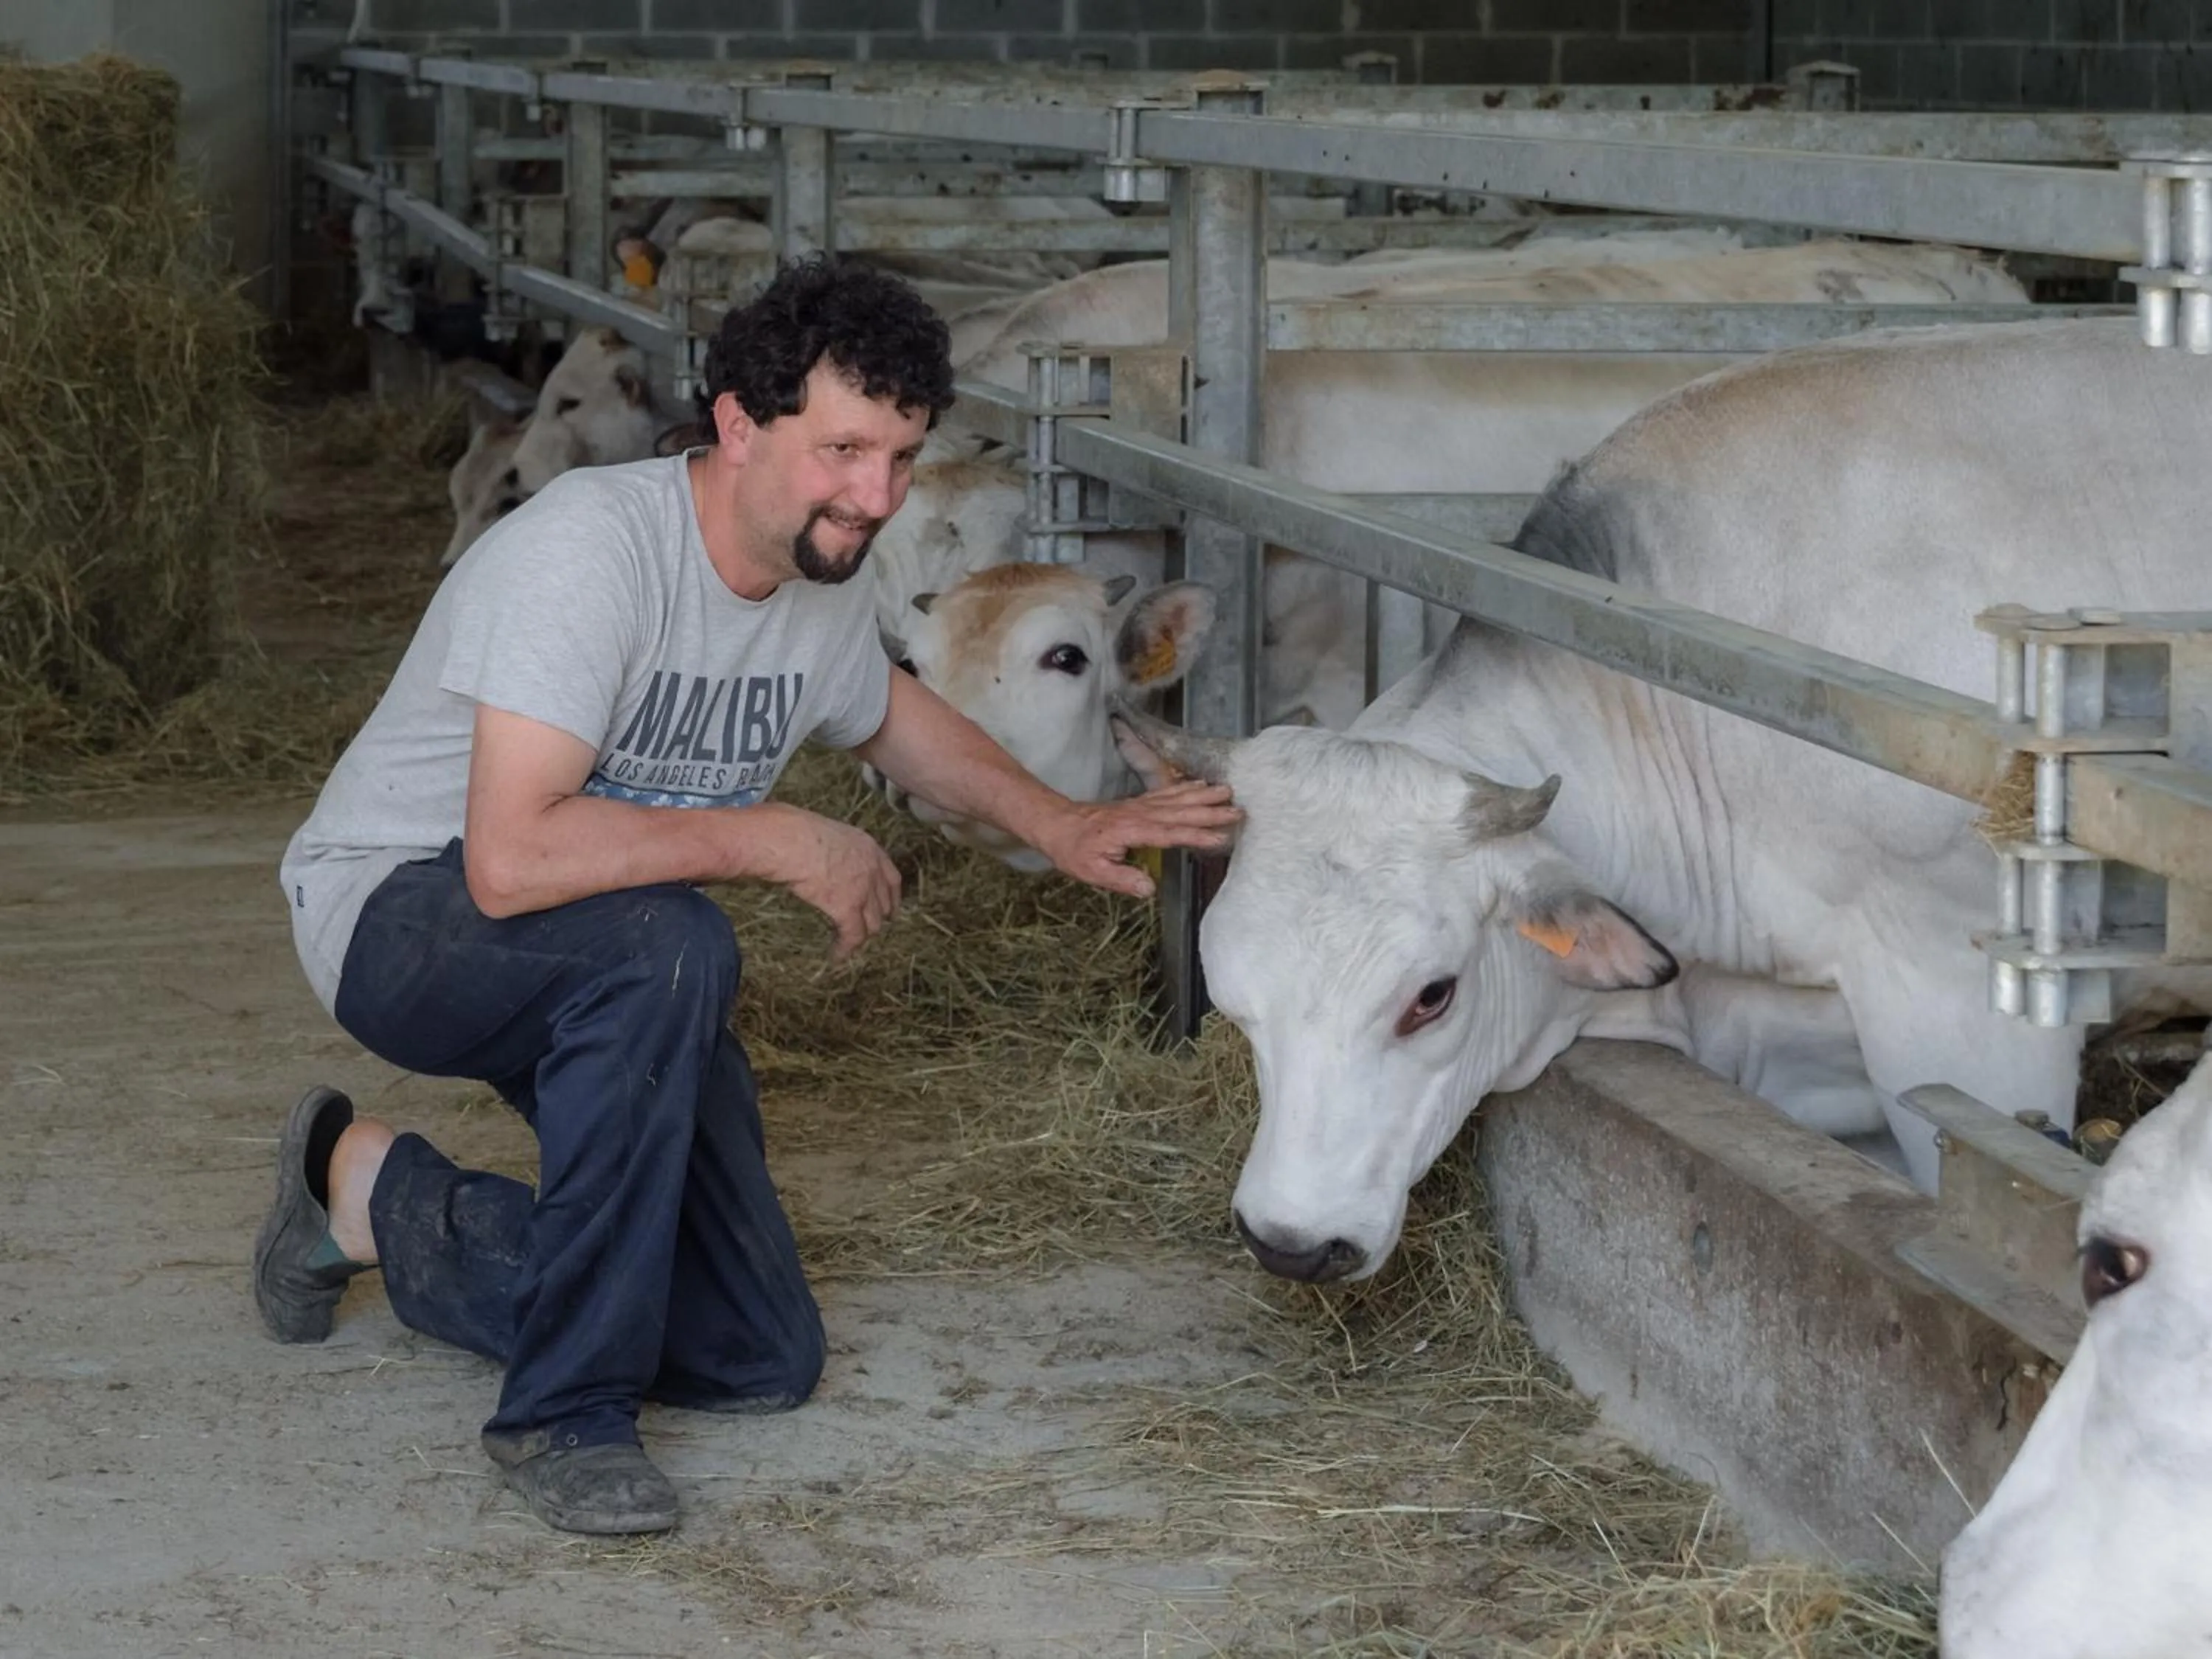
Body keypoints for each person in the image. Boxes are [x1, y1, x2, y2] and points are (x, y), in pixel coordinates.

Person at [254, 255, 1240, 1537]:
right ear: (737, 423)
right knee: (676, 943)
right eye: (842, 451)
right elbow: (509, 858)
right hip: (400, 912)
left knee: (757, 1351)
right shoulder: (592, 552)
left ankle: (369, 1193)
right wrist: (774, 836)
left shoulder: (818, 579)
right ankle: (566, 1412)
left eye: (900, 455)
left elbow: (894, 718)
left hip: (601, 954)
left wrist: (1063, 819)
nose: (875, 496)